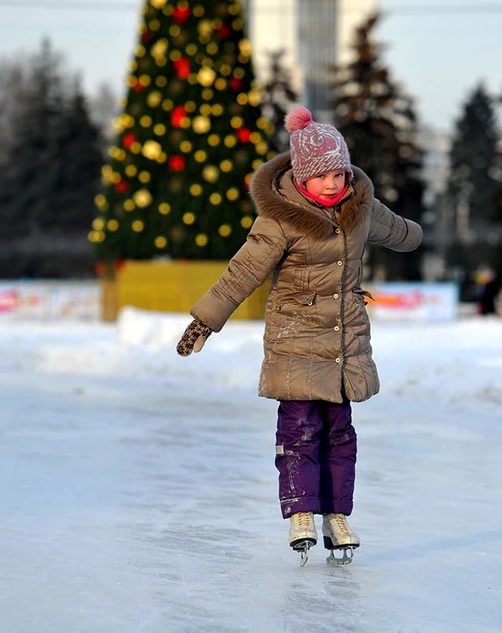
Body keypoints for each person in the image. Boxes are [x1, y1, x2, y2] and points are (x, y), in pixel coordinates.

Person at [176, 106, 423, 564]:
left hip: (342, 346)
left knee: (340, 433)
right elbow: (243, 271)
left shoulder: (360, 208)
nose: (333, 183)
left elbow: (397, 231)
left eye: (340, 173)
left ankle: (336, 514)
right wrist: (205, 319)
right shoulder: (281, 218)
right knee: (299, 431)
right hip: (294, 339)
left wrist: (418, 234)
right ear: (302, 177)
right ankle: (301, 512)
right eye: (323, 175)